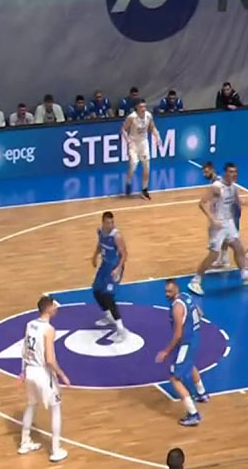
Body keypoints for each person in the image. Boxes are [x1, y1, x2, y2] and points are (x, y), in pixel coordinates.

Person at [187, 163, 248, 296]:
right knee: (213, 255)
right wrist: (212, 219)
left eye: (235, 172)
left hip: (229, 222)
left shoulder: (233, 187)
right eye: (231, 172)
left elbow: (236, 200)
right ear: (225, 173)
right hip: (218, 225)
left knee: (239, 248)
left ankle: (245, 275)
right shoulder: (217, 187)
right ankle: (195, 281)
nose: (234, 174)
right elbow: (202, 203)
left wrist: (243, 202)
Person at [18, 295, 70, 463]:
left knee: (31, 405)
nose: (56, 308)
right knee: (56, 408)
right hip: (42, 373)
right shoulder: (49, 329)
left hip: (30, 370)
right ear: (48, 309)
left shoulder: (29, 324)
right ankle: (55, 450)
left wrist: (23, 370)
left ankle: (25, 442)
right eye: (54, 306)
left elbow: (24, 350)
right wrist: (61, 374)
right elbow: (49, 359)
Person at [155, 279, 210, 426]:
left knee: (174, 378)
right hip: (195, 338)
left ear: (176, 290)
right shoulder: (187, 296)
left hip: (186, 342)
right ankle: (202, 393)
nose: (167, 294)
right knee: (190, 364)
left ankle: (193, 414)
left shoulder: (177, 307)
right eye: (165, 291)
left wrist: (166, 351)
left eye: (169, 291)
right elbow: (200, 313)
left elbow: (178, 334)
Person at [91, 211, 129, 342]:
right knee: (96, 290)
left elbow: (125, 254)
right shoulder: (100, 231)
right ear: (103, 222)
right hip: (105, 265)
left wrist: (118, 269)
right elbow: (100, 244)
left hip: (115, 267)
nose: (111, 225)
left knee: (108, 296)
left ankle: (121, 329)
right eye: (108, 222)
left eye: (112, 222)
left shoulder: (116, 236)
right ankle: (109, 316)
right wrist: (94, 256)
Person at [120, 100, 161, 200]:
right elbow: (123, 129)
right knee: (133, 165)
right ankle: (128, 181)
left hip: (143, 143)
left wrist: (157, 137)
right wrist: (127, 140)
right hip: (133, 143)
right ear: (137, 108)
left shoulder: (148, 116)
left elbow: (152, 128)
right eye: (141, 107)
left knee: (146, 167)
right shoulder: (132, 117)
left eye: (144, 107)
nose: (143, 109)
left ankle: (144, 189)